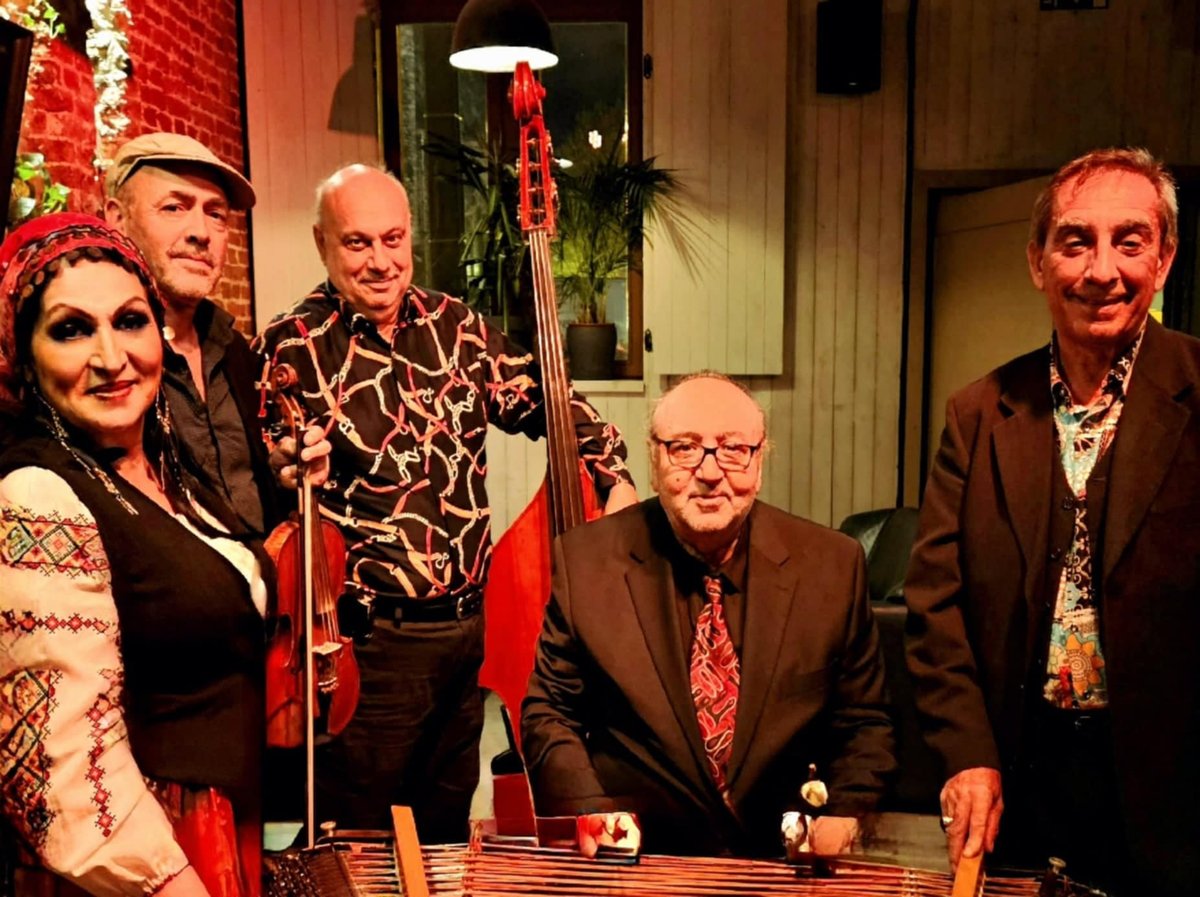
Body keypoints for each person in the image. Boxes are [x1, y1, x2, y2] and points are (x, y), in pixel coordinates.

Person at [253, 164, 638, 843]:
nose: (381, 261)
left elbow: (548, 401)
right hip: (368, 644)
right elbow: (262, 470)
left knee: (445, 834)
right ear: (322, 243)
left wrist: (615, 475)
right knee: (359, 839)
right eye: (357, 242)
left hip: (465, 635)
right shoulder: (291, 345)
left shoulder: (456, 326)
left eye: (393, 239)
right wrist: (286, 468)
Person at [904, 147, 1200, 896]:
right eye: (1076, 241)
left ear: (1164, 260)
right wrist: (968, 754)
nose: (1103, 270)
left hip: (1177, 800)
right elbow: (936, 605)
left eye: (1129, 241)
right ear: (1038, 262)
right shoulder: (977, 413)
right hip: (1018, 785)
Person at [0, 214, 268, 897]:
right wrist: (170, 881)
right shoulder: (36, 494)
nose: (111, 356)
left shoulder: (167, 468)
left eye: (129, 321)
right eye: (71, 329)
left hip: (218, 832)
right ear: (24, 357)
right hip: (149, 865)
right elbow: (60, 771)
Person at [521, 373, 896, 857]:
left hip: (784, 862)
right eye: (685, 448)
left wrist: (845, 813)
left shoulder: (832, 566)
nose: (710, 471)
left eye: (734, 449)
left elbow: (865, 721)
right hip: (639, 858)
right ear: (654, 458)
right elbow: (550, 712)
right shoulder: (586, 561)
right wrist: (589, 809)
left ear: (760, 461)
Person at [103, 132, 281, 535]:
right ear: (117, 218)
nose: (201, 231)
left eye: (216, 214)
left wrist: (281, 475)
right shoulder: (106, 362)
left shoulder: (235, 349)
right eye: (174, 207)